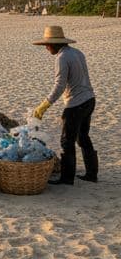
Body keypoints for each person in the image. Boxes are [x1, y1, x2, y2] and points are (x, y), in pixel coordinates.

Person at [30, 26, 97, 185]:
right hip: (89, 99)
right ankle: (92, 174)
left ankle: (67, 178)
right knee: (83, 137)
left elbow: (60, 85)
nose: (46, 48)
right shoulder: (77, 53)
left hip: (76, 103)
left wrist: (44, 105)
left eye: (47, 45)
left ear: (54, 44)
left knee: (67, 141)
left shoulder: (61, 58)